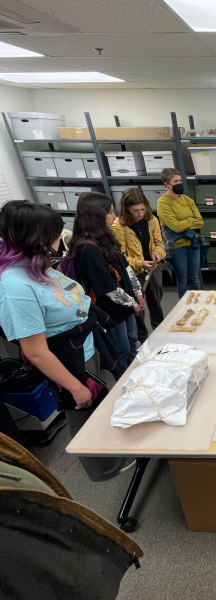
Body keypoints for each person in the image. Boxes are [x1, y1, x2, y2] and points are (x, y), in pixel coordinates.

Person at [0, 200, 131, 481]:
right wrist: (74, 387)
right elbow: (34, 351)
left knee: (101, 403)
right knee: (82, 410)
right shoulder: (14, 284)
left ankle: (113, 451)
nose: (62, 238)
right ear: (38, 239)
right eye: (57, 234)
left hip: (86, 343)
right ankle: (103, 470)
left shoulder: (40, 267)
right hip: (67, 358)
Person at [67, 192, 144, 369]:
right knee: (120, 351)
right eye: (110, 212)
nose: (114, 215)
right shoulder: (87, 248)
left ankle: (137, 372)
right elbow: (108, 288)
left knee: (132, 341)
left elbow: (126, 267)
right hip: (110, 311)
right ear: (97, 215)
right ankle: (124, 384)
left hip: (126, 304)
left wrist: (137, 293)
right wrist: (132, 303)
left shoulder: (107, 237)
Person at [113, 187, 166, 344]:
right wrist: (140, 263)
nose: (140, 214)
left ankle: (160, 334)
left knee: (156, 302)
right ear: (126, 209)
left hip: (153, 267)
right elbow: (120, 257)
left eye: (143, 209)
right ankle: (142, 339)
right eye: (135, 210)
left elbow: (159, 242)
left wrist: (158, 252)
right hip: (133, 273)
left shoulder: (151, 220)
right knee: (138, 307)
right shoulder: (118, 226)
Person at [157, 168, 204, 298]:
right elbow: (175, 227)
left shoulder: (187, 200)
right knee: (182, 279)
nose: (179, 183)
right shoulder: (163, 202)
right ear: (167, 184)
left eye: (180, 180)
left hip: (192, 243)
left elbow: (200, 222)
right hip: (177, 246)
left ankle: (199, 303)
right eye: (175, 181)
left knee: (194, 277)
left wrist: (182, 222)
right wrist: (190, 220)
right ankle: (184, 307)